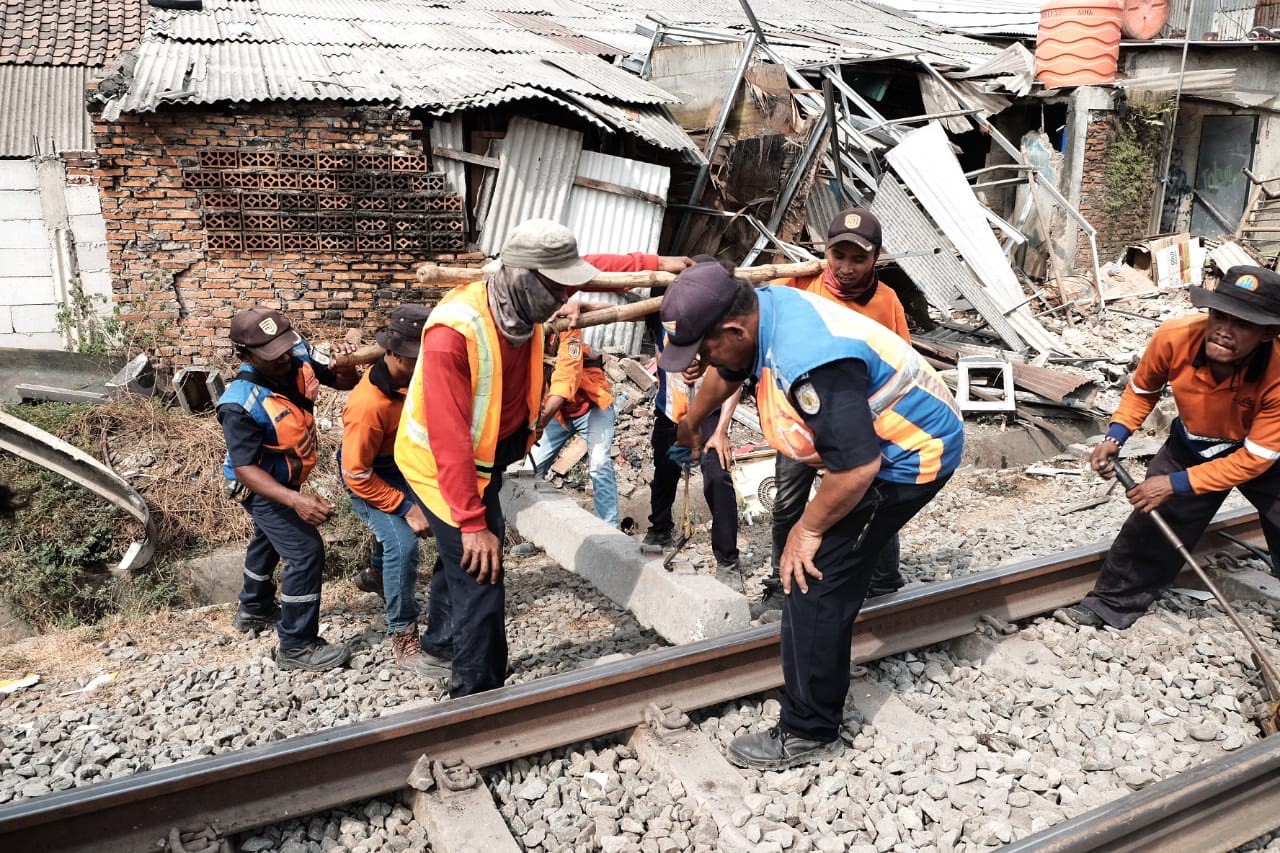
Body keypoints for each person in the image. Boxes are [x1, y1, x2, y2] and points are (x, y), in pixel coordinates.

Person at [663, 260, 964, 770]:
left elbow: (858, 468)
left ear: (734, 329)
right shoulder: (760, 309)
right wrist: (692, 422)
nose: (703, 361)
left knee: (810, 579)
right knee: (832, 564)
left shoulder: (810, 360)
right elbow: (728, 369)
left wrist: (808, 529)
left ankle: (810, 728)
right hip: (869, 449)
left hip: (908, 458)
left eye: (704, 348)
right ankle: (845, 605)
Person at [394, 219, 635, 698]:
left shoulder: (519, 300)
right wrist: (471, 521)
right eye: (558, 287)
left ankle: (437, 648)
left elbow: (599, 270)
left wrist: (661, 265)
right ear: (525, 276)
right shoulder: (454, 332)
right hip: (443, 469)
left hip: (483, 461)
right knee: (482, 570)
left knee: (459, 559)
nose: (566, 298)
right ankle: (478, 697)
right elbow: (449, 438)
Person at [1063, 266, 1280, 630]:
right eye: (1219, 316)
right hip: (1194, 443)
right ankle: (1110, 604)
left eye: (1241, 324)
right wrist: (1115, 436)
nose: (1224, 330)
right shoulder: (1175, 337)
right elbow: (1142, 391)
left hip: (1263, 454)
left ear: (1268, 333)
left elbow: (1254, 459)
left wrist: (1174, 483)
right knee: (1156, 520)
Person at [765, 207, 910, 610]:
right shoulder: (799, 284)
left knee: (871, 499)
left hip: (859, 421)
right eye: (838, 256)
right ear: (825, 252)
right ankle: (784, 580)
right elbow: (757, 311)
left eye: (858, 259)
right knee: (788, 504)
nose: (845, 268)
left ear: (875, 259)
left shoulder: (886, 301)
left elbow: (902, 363)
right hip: (801, 418)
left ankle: (884, 582)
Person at [218, 306, 359, 672]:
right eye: (271, 354)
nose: (283, 357)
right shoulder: (238, 404)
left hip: (288, 479)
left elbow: (345, 382)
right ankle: (296, 646)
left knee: (268, 541)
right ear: (244, 355)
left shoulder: (299, 352)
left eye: (285, 347)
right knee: (305, 550)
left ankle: (255, 608)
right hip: (260, 487)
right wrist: (295, 500)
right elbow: (247, 469)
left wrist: (346, 365)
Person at [339, 303, 449, 675]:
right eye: (410, 359)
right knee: (403, 544)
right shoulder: (367, 406)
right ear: (390, 353)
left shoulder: (418, 380)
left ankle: (375, 574)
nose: (419, 366)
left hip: (406, 460)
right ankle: (403, 633)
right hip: (369, 472)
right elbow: (356, 473)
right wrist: (405, 507)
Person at [642, 271, 741, 577]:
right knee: (664, 472)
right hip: (670, 410)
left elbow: (735, 378)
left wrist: (722, 430)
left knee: (717, 476)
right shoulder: (659, 317)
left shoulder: (719, 323)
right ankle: (660, 528)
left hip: (709, 412)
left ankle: (727, 559)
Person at [529, 322, 621, 526]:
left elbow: (567, 376)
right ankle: (533, 529)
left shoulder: (568, 328)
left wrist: (541, 421)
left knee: (599, 465)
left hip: (591, 407)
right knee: (528, 472)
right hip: (558, 414)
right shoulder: (526, 330)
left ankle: (610, 530)